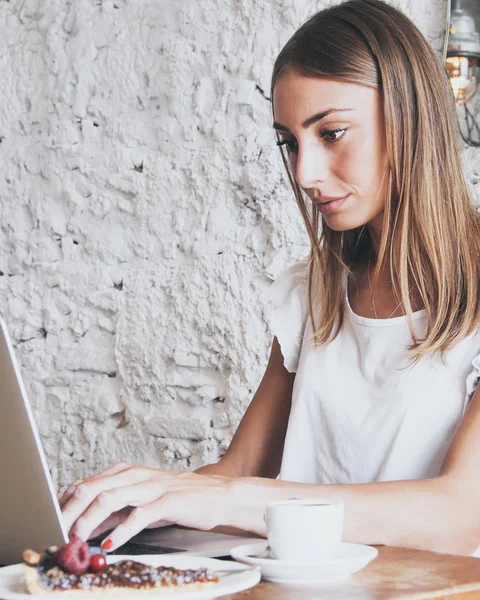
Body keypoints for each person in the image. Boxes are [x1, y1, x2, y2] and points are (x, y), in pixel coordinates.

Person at [58, 0, 480, 557]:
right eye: (290, 142)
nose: (304, 172)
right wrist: (127, 507)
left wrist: (230, 498)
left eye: (331, 133)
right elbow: (241, 471)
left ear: (410, 117)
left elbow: (462, 514)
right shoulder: (318, 291)